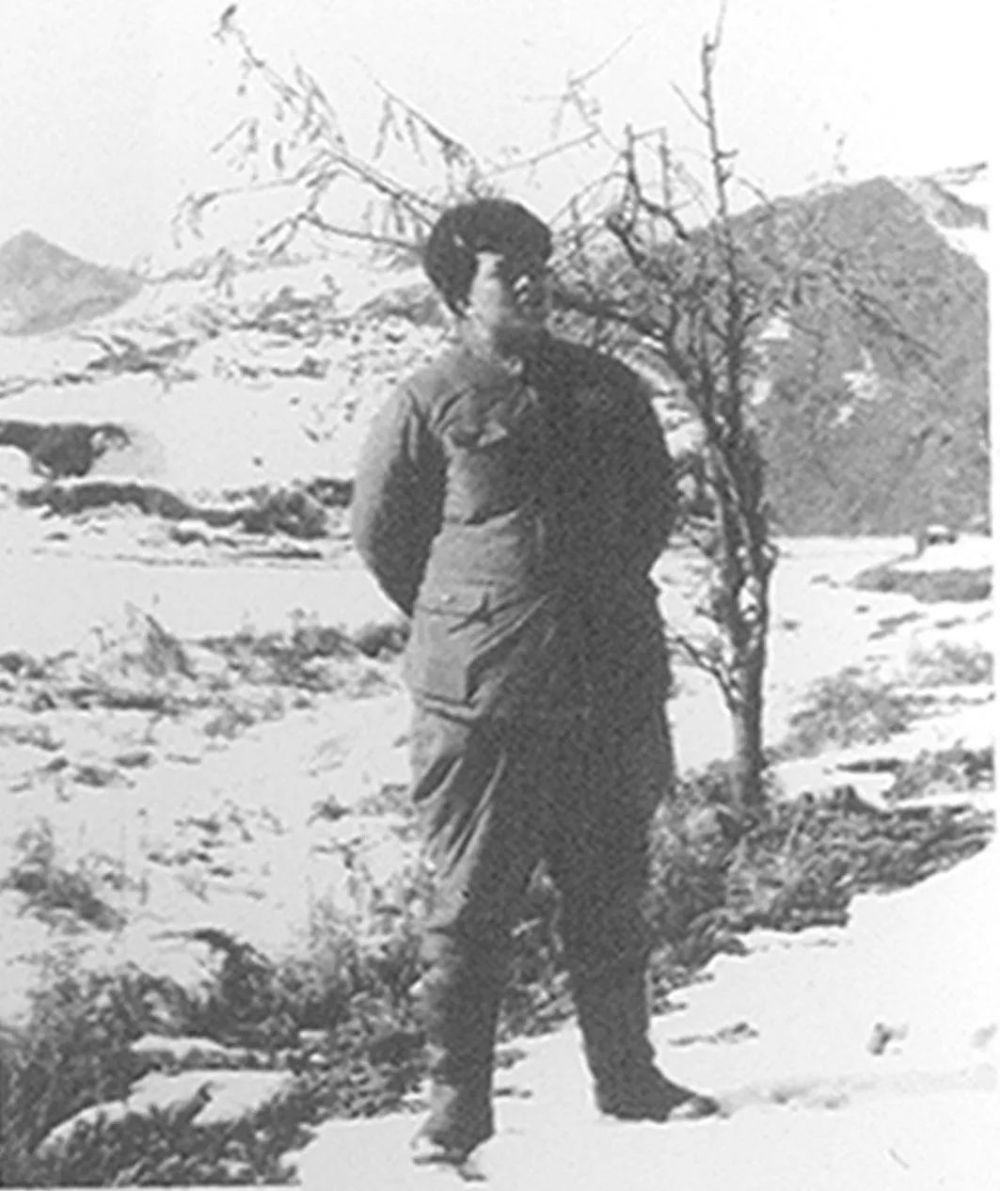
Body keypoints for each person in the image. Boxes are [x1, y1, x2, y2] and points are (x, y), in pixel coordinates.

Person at [350, 197, 717, 1168]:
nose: (532, 283)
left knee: (610, 892)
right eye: (506, 272)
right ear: (456, 294)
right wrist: (474, 618)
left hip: (605, 683)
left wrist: (589, 604)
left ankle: (628, 1080)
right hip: (483, 701)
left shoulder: (608, 390)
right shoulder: (426, 401)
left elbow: (651, 511)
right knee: (471, 907)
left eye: (539, 266)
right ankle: (456, 1112)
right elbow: (385, 540)